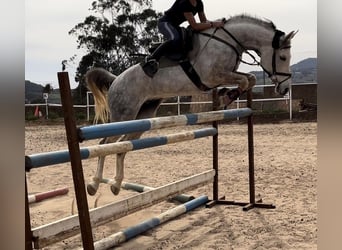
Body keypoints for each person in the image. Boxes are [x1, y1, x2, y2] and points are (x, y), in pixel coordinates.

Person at [142, 0, 225, 77]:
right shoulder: (184, 3)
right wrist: (213, 24)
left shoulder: (199, 3)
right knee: (175, 38)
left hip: (175, 26)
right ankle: (151, 60)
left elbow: (204, 22)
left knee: (183, 40)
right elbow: (195, 26)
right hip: (165, 23)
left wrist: (217, 23)